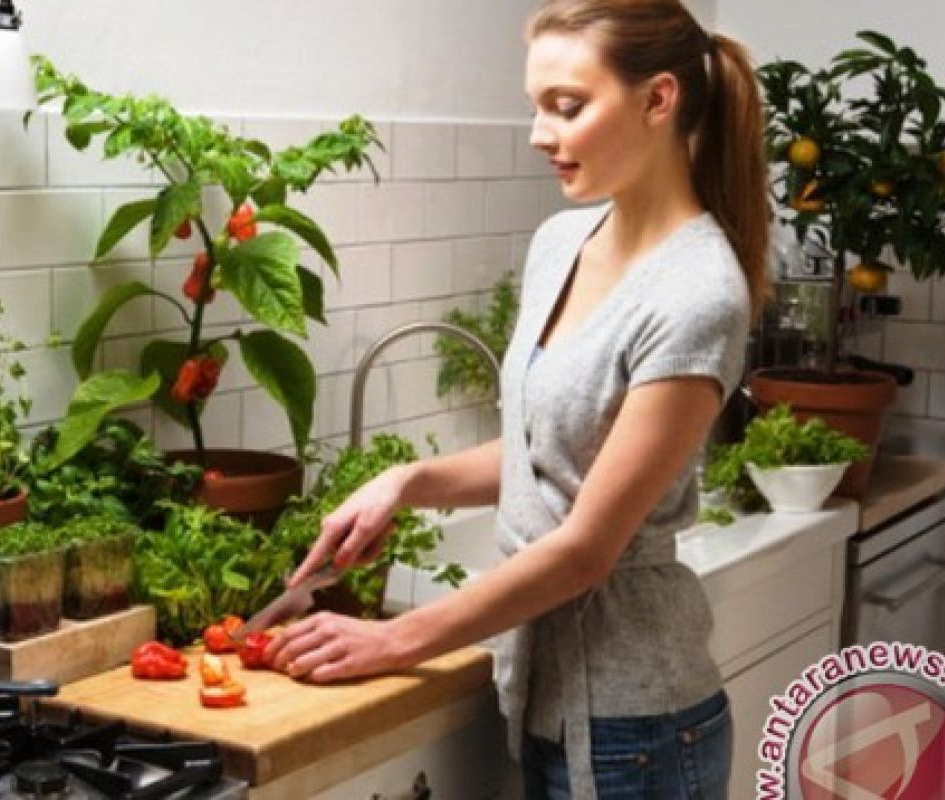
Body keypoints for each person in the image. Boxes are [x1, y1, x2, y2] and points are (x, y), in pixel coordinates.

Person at [265, 0, 770, 796]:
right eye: (536, 107)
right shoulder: (559, 243)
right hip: (546, 700)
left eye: (566, 107)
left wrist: (398, 640)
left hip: (638, 731)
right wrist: (408, 483)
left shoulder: (699, 292)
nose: (540, 133)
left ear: (658, 99)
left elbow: (587, 546)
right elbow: (552, 452)